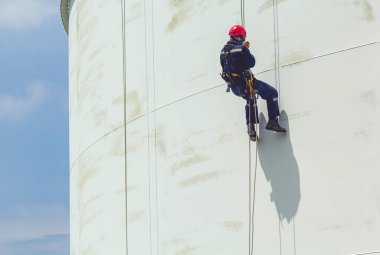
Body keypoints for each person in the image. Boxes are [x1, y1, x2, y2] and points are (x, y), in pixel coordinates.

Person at [220, 24, 286, 141]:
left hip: (235, 87)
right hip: (246, 83)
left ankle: (251, 128)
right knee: (272, 93)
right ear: (240, 37)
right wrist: (246, 50)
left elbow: (228, 66)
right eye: (243, 38)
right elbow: (251, 63)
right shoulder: (241, 48)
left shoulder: (223, 51)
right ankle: (273, 121)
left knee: (250, 99)